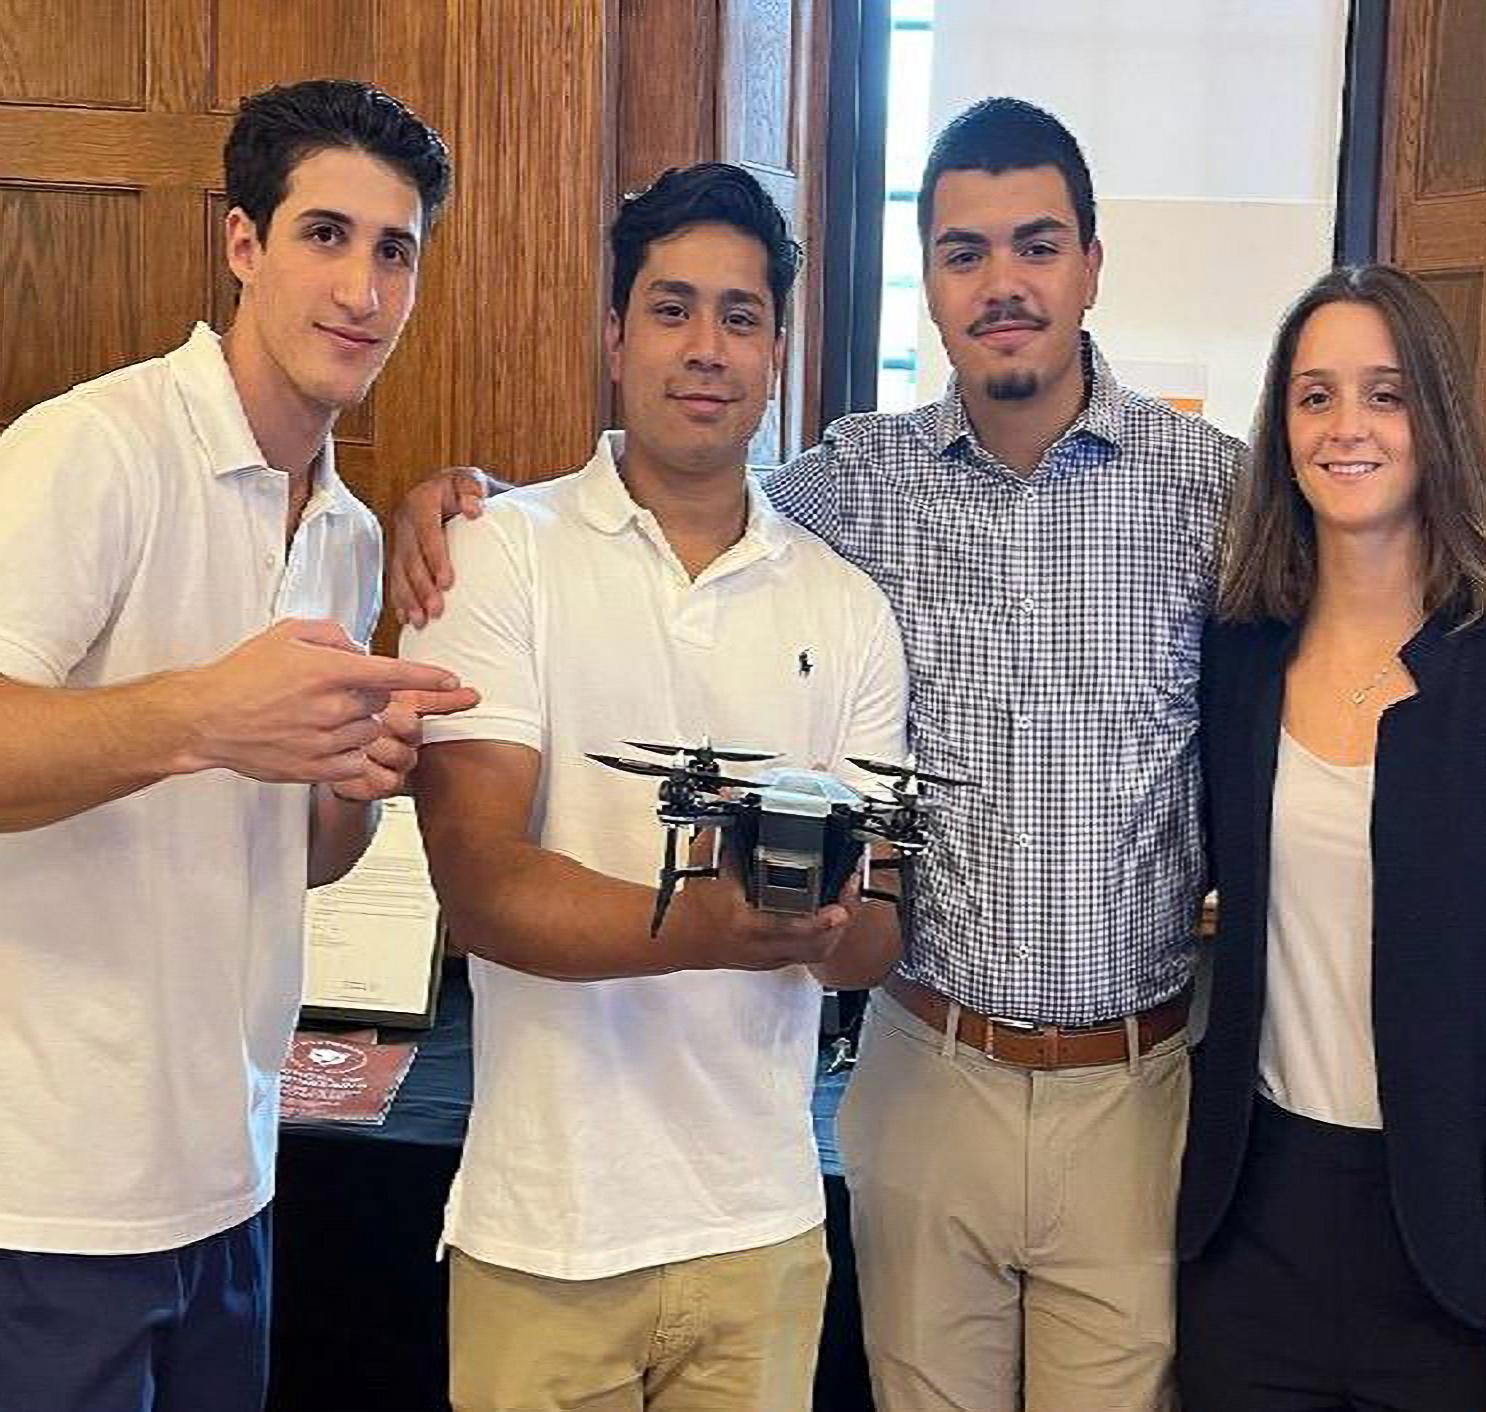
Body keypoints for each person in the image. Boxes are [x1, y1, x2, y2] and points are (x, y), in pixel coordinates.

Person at [392, 98, 1242, 1411]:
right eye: (963, 253)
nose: (1001, 283)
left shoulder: (1212, 495)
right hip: (925, 1071)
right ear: (927, 279)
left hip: (1131, 1088)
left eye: (1035, 245)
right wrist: (454, 499)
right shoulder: (853, 489)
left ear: (1089, 262)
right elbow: (655, 497)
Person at [0, 79, 475, 1412]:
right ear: (243, 243)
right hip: (50, 1196)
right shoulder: (92, 452)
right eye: (326, 235)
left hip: (233, 1167)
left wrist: (355, 787)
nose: (362, 287)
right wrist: (208, 712)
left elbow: (310, 855)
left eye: (396, 251)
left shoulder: (348, 534)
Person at [403, 162, 909, 1412]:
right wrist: (714, 927)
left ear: (779, 350)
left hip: (762, 1227)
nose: (707, 348)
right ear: (616, 332)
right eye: (673, 308)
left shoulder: (845, 607)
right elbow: (483, 886)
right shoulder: (493, 555)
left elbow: (881, 932)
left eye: (741, 317)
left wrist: (834, 925)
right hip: (547, 1229)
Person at [1177, 264, 1486, 1410]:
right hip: (1256, 1217)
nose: (1346, 426)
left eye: (1384, 393)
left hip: (1451, 1244)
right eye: (1314, 396)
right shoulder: (1237, 659)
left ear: (1435, 420)